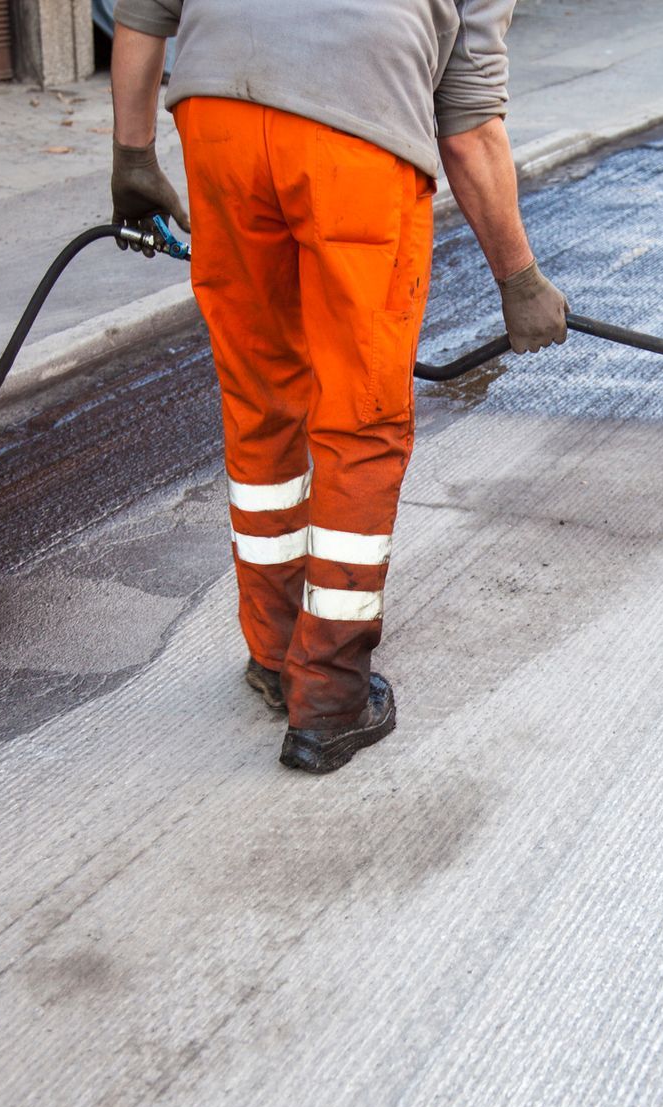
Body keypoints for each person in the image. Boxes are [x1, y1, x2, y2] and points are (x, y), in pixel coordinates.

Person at [108, 0, 567, 773]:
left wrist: (131, 157)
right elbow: (467, 124)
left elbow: (142, 13)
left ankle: (275, 653)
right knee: (360, 420)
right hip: (357, 138)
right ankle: (328, 698)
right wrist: (519, 278)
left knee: (262, 402)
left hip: (217, 119)